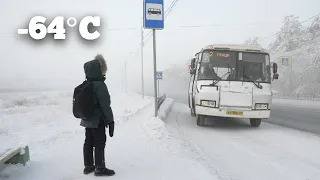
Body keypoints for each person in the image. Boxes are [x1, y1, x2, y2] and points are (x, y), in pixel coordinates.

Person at [81, 54, 115, 176]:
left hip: (87, 119)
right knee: (99, 142)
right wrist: (110, 121)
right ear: (99, 70)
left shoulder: (86, 84)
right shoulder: (100, 85)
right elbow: (105, 105)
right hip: (98, 120)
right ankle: (100, 168)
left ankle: (88, 166)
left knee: (88, 142)